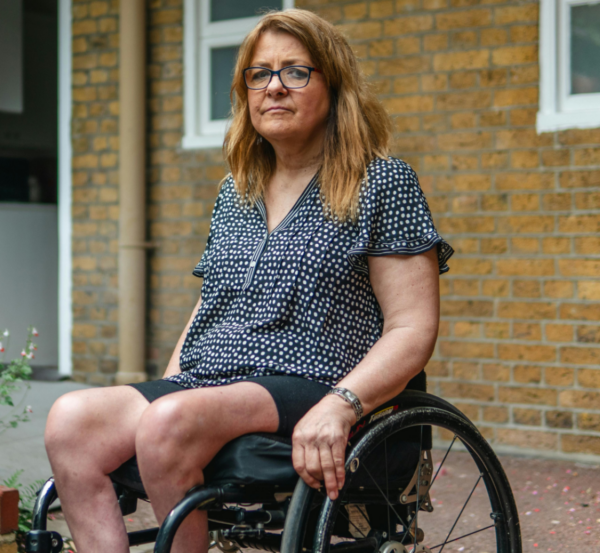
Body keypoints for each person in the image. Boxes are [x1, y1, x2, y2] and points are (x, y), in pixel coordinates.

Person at [45, 8, 454, 553]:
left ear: (335, 86)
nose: (274, 87)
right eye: (259, 74)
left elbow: (412, 328)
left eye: (296, 71)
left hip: (313, 377)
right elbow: (211, 303)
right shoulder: (236, 192)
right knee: (71, 421)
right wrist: (171, 383)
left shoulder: (381, 183)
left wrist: (341, 404)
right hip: (215, 380)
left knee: (167, 423)